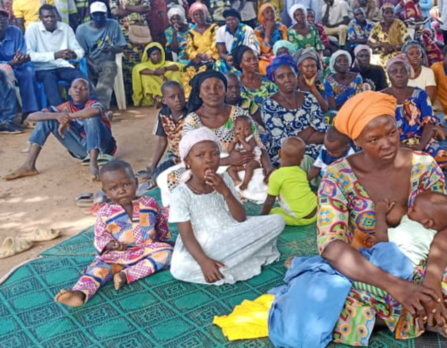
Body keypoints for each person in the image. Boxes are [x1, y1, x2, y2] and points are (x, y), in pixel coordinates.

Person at [316, 91, 447, 344]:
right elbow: (332, 246)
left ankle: (389, 315)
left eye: (391, 133)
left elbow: (443, 228)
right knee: (323, 296)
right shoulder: (337, 177)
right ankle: (418, 313)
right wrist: (397, 287)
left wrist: (432, 284)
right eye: (374, 139)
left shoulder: (424, 166)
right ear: (357, 140)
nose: (387, 144)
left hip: (416, 265)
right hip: (365, 272)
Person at [168, 127, 285, 285]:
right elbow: (187, 236)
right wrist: (203, 261)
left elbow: (240, 218)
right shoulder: (181, 193)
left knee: (278, 221)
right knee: (180, 269)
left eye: (215, 154)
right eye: (200, 155)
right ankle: (235, 260)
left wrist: (225, 192)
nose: (209, 160)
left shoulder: (225, 179)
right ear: (188, 162)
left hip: (231, 232)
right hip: (202, 244)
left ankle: (226, 264)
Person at [54, 160, 173, 307]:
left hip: (146, 251)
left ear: (136, 182)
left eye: (126, 184)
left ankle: (126, 275)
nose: (121, 190)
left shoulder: (149, 203)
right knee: (98, 269)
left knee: (167, 253)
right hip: (118, 257)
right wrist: (111, 245)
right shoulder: (104, 213)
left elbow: (160, 223)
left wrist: (164, 241)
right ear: (106, 192)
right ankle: (80, 293)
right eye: (113, 188)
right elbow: (100, 237)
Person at [5, 79, 116, 181]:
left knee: (91, 117)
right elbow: (31, 116)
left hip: (103, 146)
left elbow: (95, 110)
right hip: (82, 150)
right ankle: (29, 165)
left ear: (89, 93)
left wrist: (68, 116)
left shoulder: (93, 103)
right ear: (69, 92)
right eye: (75, 88)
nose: (78, 90)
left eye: (83, 89)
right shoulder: (64, 107)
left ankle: (93, 163)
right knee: (46, 119)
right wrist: (57, 116)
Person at [383, 54, 447, 172]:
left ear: (409, 74)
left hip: (422, 141)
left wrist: (421, 146)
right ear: (388, 75)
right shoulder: (380, 97)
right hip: (393, 145)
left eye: (404, 71)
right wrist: (401, 146)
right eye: (394, 71)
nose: (399, 74)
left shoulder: (420, 94)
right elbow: (380, 129)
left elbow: (429, 123)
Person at [263, 54, 327, 166]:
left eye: (291, 74)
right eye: (281, 77)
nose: (287, 80)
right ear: (274, 80)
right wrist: (310, 129)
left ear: (297, 75)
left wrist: (297, 137)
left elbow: (324, 130)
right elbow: (285, 143)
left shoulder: (309, 97)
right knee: (306, 160)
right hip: (287, 156)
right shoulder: (269, 105)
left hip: (317, 149)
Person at [26, 5, 89, 108]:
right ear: (40, 18)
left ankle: (91, 106)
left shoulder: (65, 28)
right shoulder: (32, 29)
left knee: (80, 78)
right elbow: (30, 55)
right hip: (43, 68)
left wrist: (73, 55)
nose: (50, 19)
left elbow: (79, 51)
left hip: (63, 66)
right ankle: (60, 110)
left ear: (57, 16)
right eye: (46, 17)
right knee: (49, 80)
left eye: (52, 16)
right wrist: (54, 55)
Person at [260, 136, 318, 226]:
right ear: (301, 160)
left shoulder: (276, 176)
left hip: (302, 219)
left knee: (273, 213)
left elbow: (270, 201)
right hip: (316, 211)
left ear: (279, 153)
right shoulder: (301, 172)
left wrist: (262, 217)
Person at [110, 0, 150, 106]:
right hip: (124, 35)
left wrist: (127, 7)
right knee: (126, 66)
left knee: (143, 62)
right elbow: (116, 12)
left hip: (140, 33)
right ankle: (128, 98)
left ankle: (143, 96)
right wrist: (137, 9)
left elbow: (146, 7)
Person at [0, 9, 36, 123]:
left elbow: (23, 51)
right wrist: (10, 63)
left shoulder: (15, 31)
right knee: (5, 73)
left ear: (9, 21)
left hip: (17, 67)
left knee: (28, 72)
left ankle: (29, 112)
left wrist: (22, 57)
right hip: (3, 69)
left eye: (4, 18)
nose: (1, 20)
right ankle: (7, 117)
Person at [148, 80, 187, 180]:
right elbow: (162, 141)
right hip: (175, 157)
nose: (178, 100)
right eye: (172, 97)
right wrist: (153, 166)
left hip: (192, 158)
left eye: (180, 95)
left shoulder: (192, 113)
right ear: (164, 100)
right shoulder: (163, 114)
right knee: (157, 177)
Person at [131, 42, 182, 107]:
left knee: (175, 73)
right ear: (149, 56)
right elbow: (137, 69)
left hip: (166, 84)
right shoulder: (144, 65)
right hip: (153, 94)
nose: (156, 56)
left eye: (158, 54)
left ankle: (170, 97)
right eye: (153, 54)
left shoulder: (166, 64)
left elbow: (179, 66)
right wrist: (155, 72)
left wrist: (165, 69)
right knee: (145, 77)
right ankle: (156, 98)